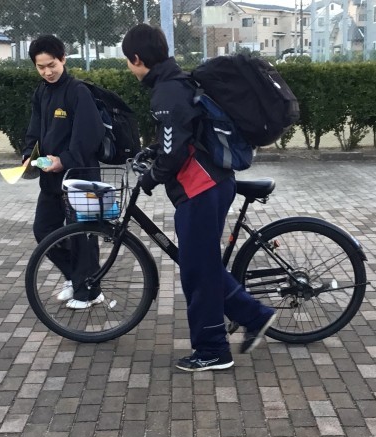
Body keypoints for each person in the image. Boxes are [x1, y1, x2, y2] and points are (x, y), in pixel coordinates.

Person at [122, 24, 277, 372]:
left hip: (201, 190)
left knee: (198, 273)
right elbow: (181, 136)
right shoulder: (177, 82)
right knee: (201, 266)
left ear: (137, 58)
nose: (129, 68)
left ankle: (213, 350)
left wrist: (151, 178)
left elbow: (174, 152)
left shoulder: (167, 91)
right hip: (210, 184)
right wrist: (153, 152)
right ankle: (254, 316)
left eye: (128, 62)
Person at [22, 34, 105, 309]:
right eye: (41, 67)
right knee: (44, 230)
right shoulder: (41, 92)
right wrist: (28, 155)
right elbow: (34, 130)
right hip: (50, 178)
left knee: (82, 235)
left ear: (63, 59)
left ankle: (90, 291)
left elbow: (90, 135)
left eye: (52, 65)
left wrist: (64, 160)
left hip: (81, 176)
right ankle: (75, 277)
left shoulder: (77, 91)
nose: (47, 72)